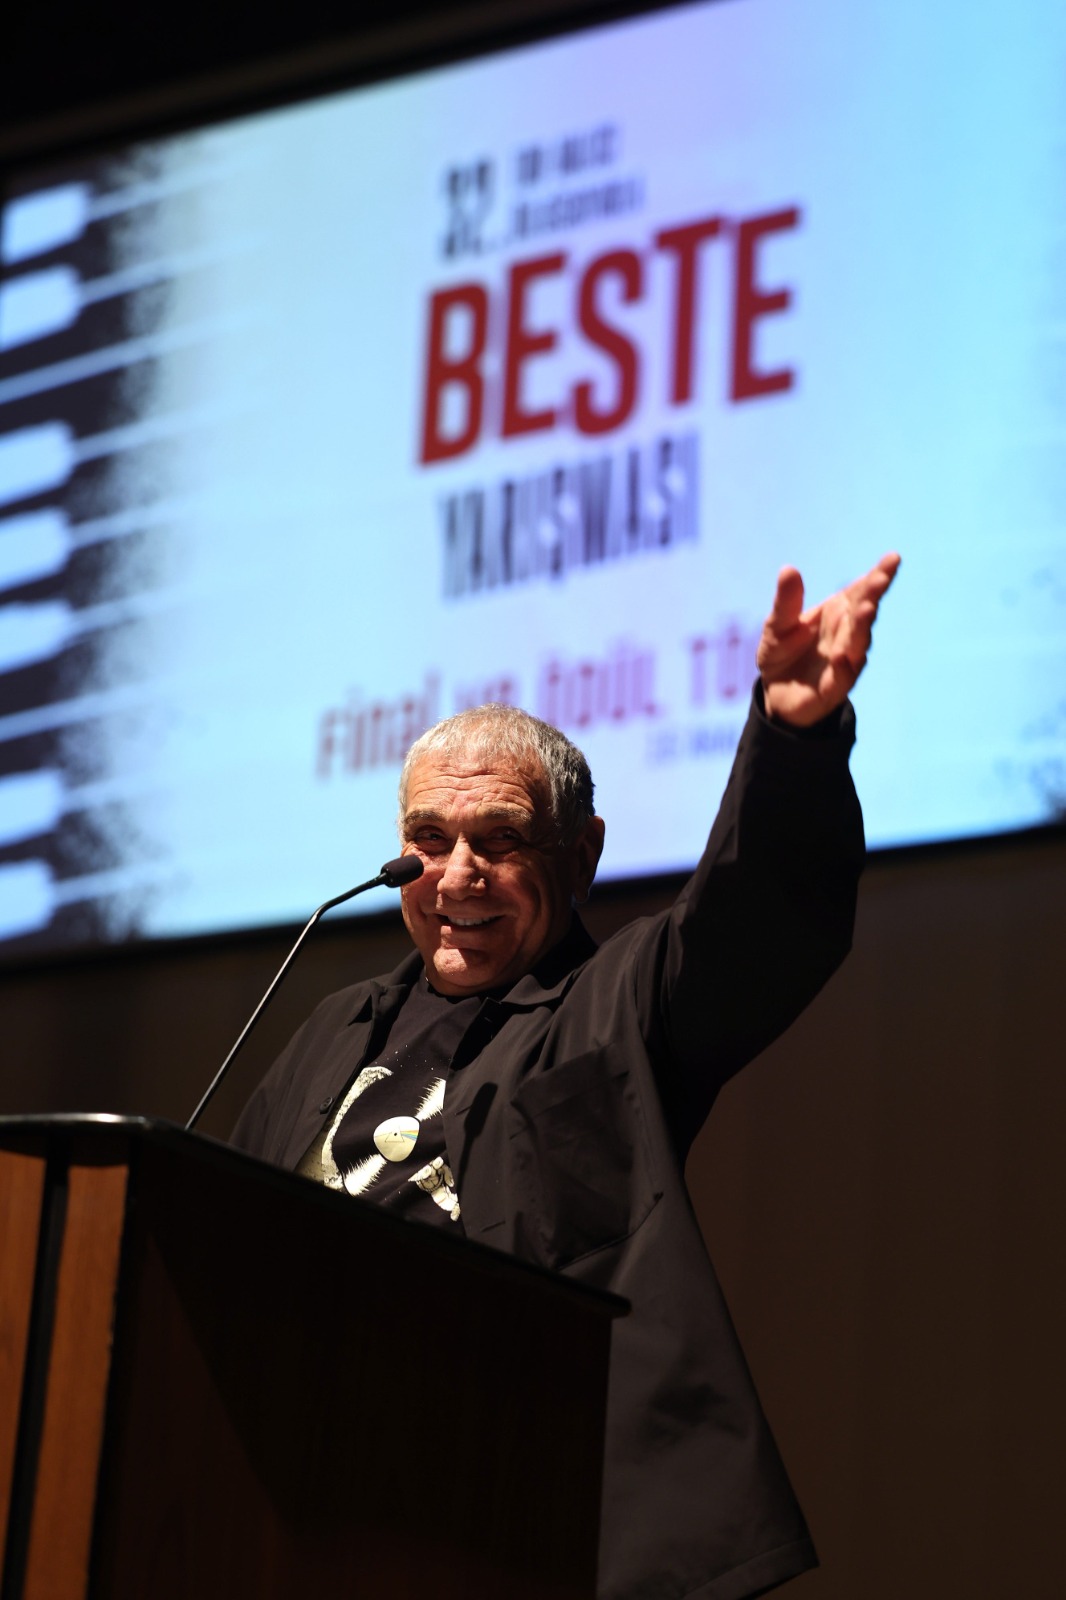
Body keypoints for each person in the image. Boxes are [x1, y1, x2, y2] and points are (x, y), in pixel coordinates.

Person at [231, 553, 901, 1600]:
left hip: (524, 1511)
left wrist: (795, 737)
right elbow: (214, 1237)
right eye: (428, 841)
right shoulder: (332, 1029)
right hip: (297, 1505)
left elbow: (761, 918)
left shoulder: (618, 1003)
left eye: (500, 841)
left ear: (581, 853)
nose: (457, 876)